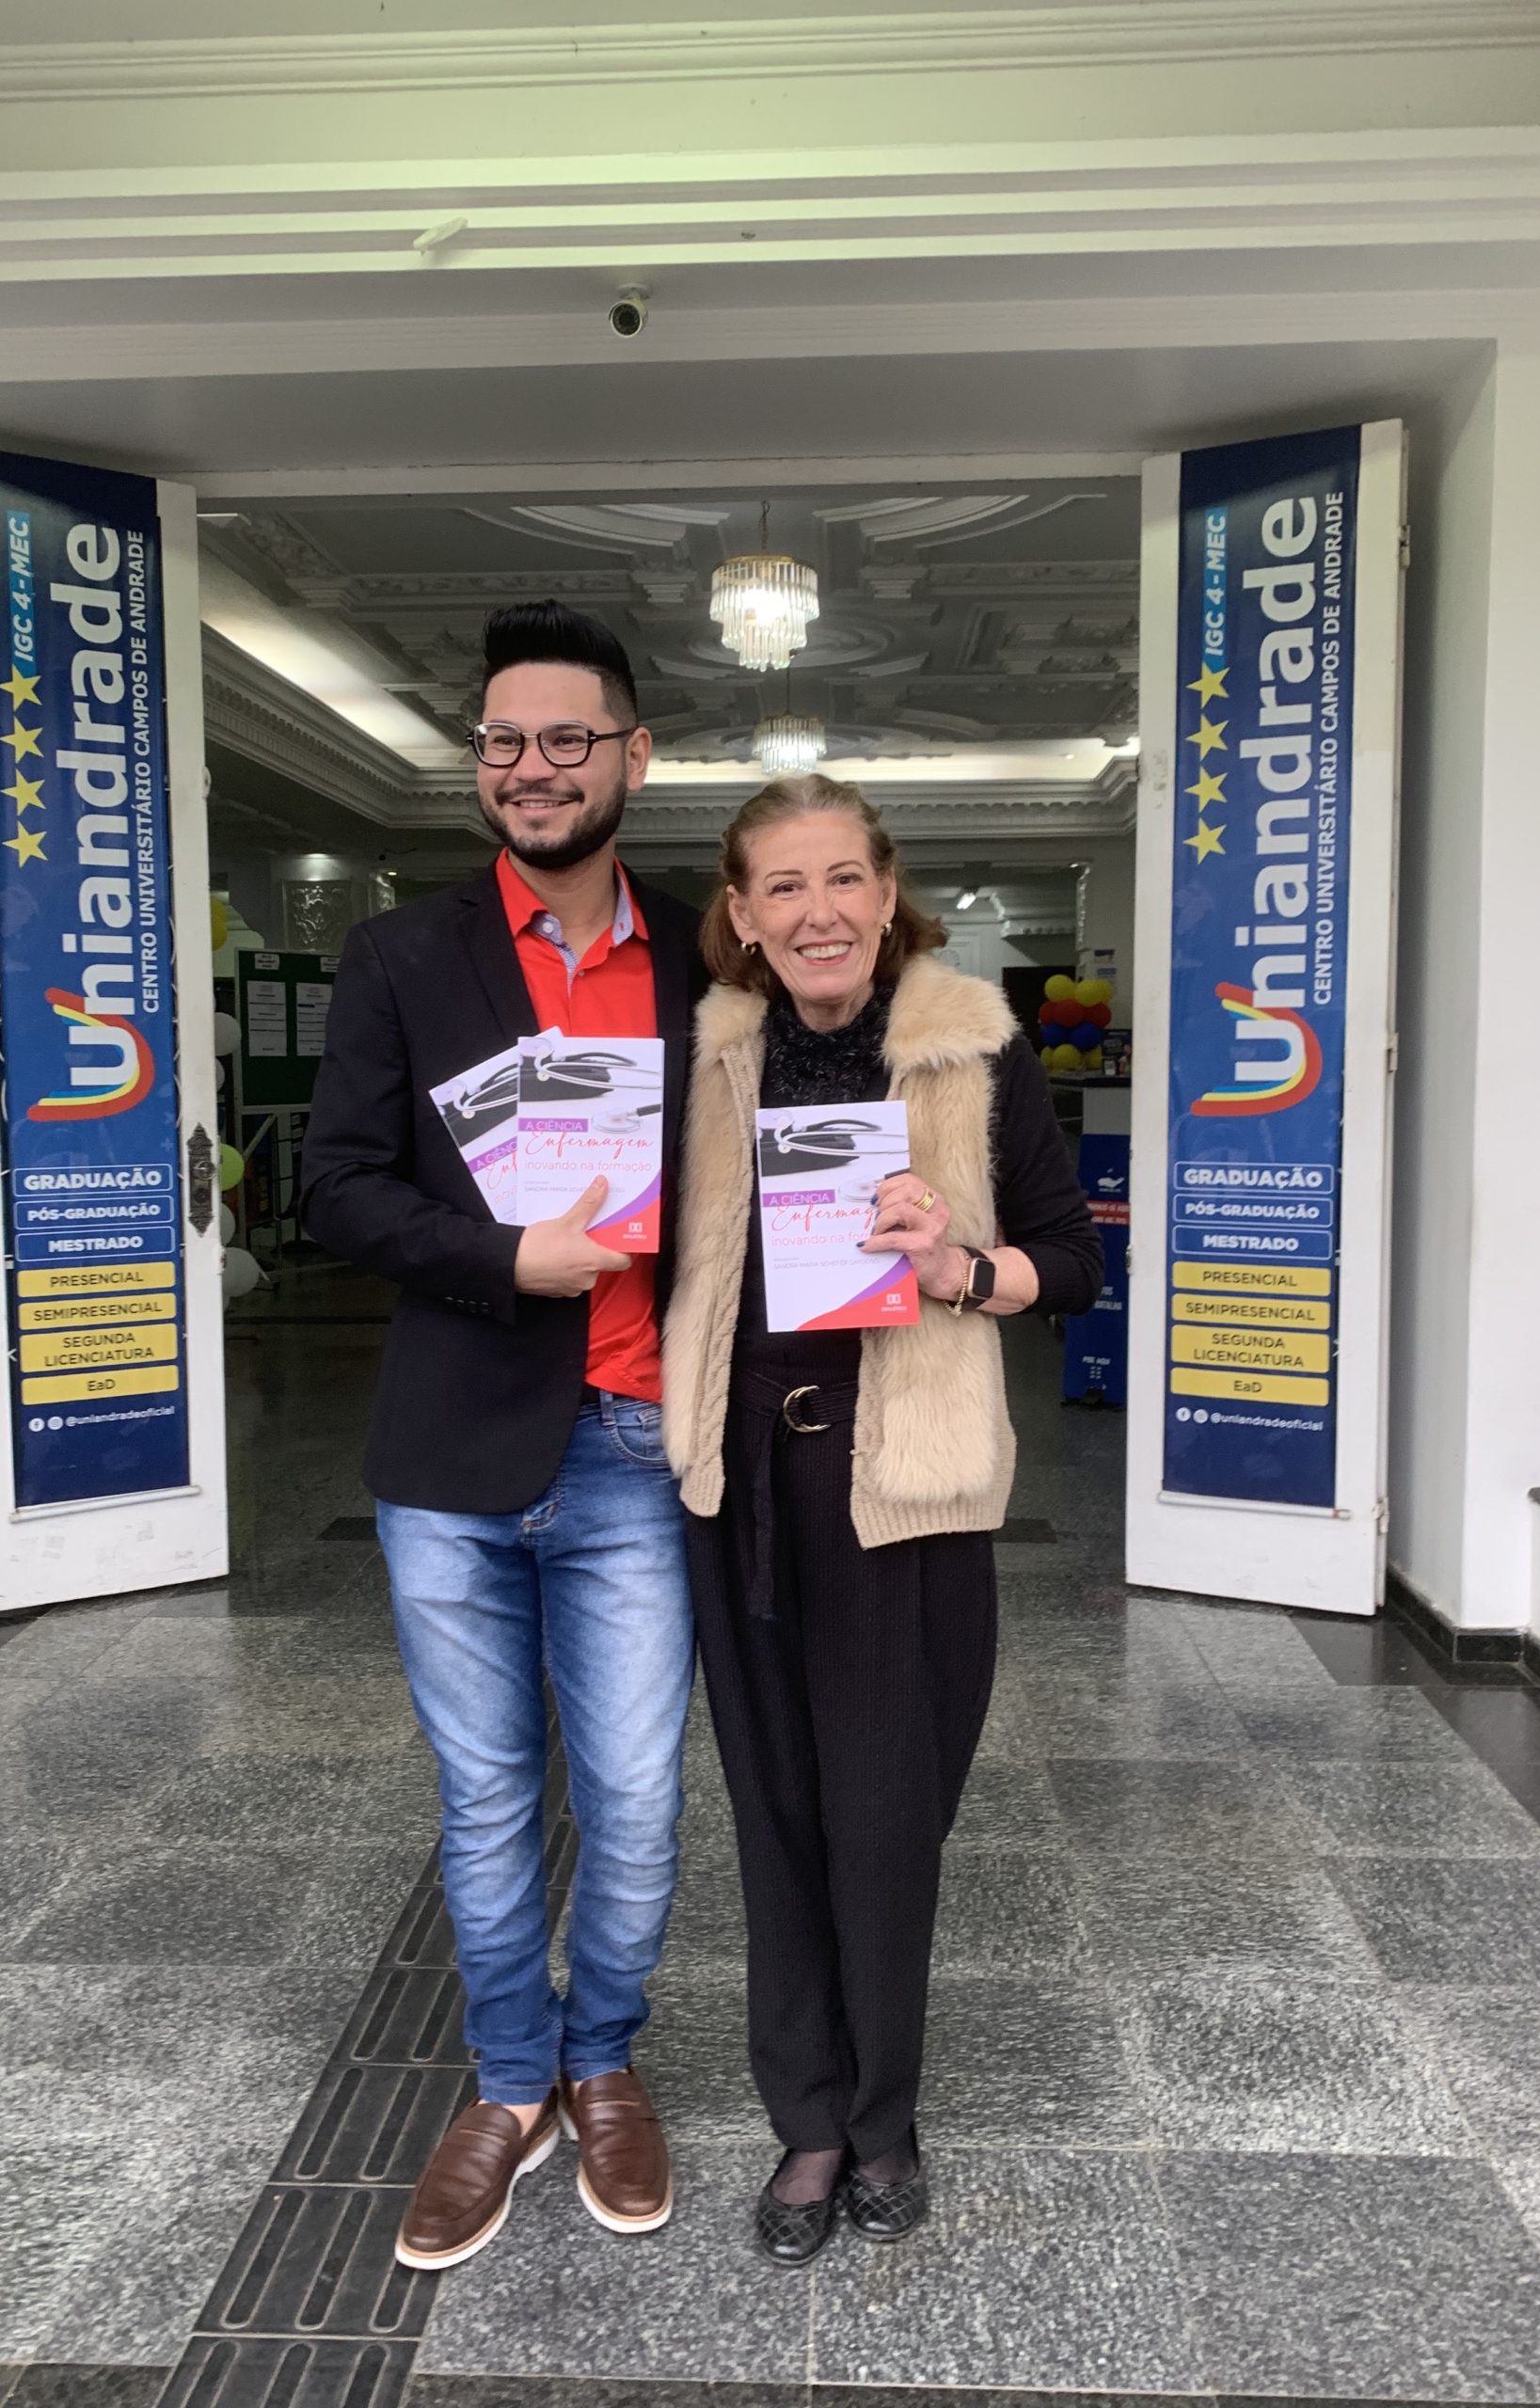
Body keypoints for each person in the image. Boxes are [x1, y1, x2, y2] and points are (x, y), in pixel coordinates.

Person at [301, 600, 703, 2271]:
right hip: (452, 1449)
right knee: (483, 1801)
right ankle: (513, 2083)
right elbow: (334, 1189)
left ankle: (604, 2059)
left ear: (633, 756)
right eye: (503, 741)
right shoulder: (405, 954)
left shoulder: (707, 961)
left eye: (566, 739)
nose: (531, 767)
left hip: (636, 1444)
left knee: (636, 1799)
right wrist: (505, 1257)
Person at [662, 773, 1103, 2262]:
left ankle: (885, 2113)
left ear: (887, 889)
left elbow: (1071, 1261)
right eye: (783, 886)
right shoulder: (707, 1056)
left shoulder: (975, 1050)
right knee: (777, 1805)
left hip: (904, 1483)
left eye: (842, 878)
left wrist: (958, 1264)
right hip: (743, 1479)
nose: (818, 912)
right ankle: (808, 2117)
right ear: (741, 913)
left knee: (890, 1812)